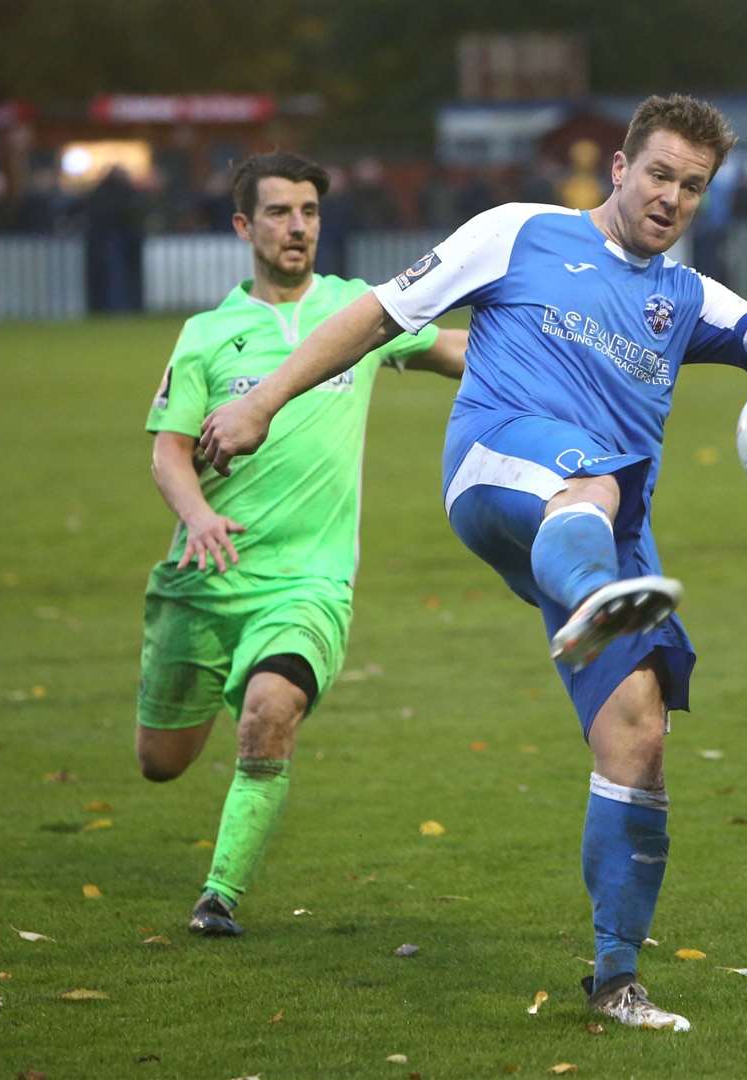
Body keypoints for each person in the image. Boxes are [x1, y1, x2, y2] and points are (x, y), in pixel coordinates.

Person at [197, 95, 747, 1031]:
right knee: (586, 490)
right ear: (620, 167)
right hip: (500, 469)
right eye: (660, 173)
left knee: (638, 740)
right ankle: (597, 597)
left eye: (693, 186)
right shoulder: (518, 234)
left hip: (603, 533)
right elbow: (382, 314)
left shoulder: (688, 297)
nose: (672, 197)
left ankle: (617, 981)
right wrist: (262, 401)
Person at [137, 151, 466, 938]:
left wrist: (553, 348)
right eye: (280, 212)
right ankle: (218, 683)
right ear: (244, 226)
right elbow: (167, 451)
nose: (298, 227)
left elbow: (456, 351)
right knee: (161, 762)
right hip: (205, 577)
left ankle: (219, 895)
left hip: (308, 582)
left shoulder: (359, 311)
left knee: (270, 711)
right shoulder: (210, 334)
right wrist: (201, 516)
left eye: (310, 212)